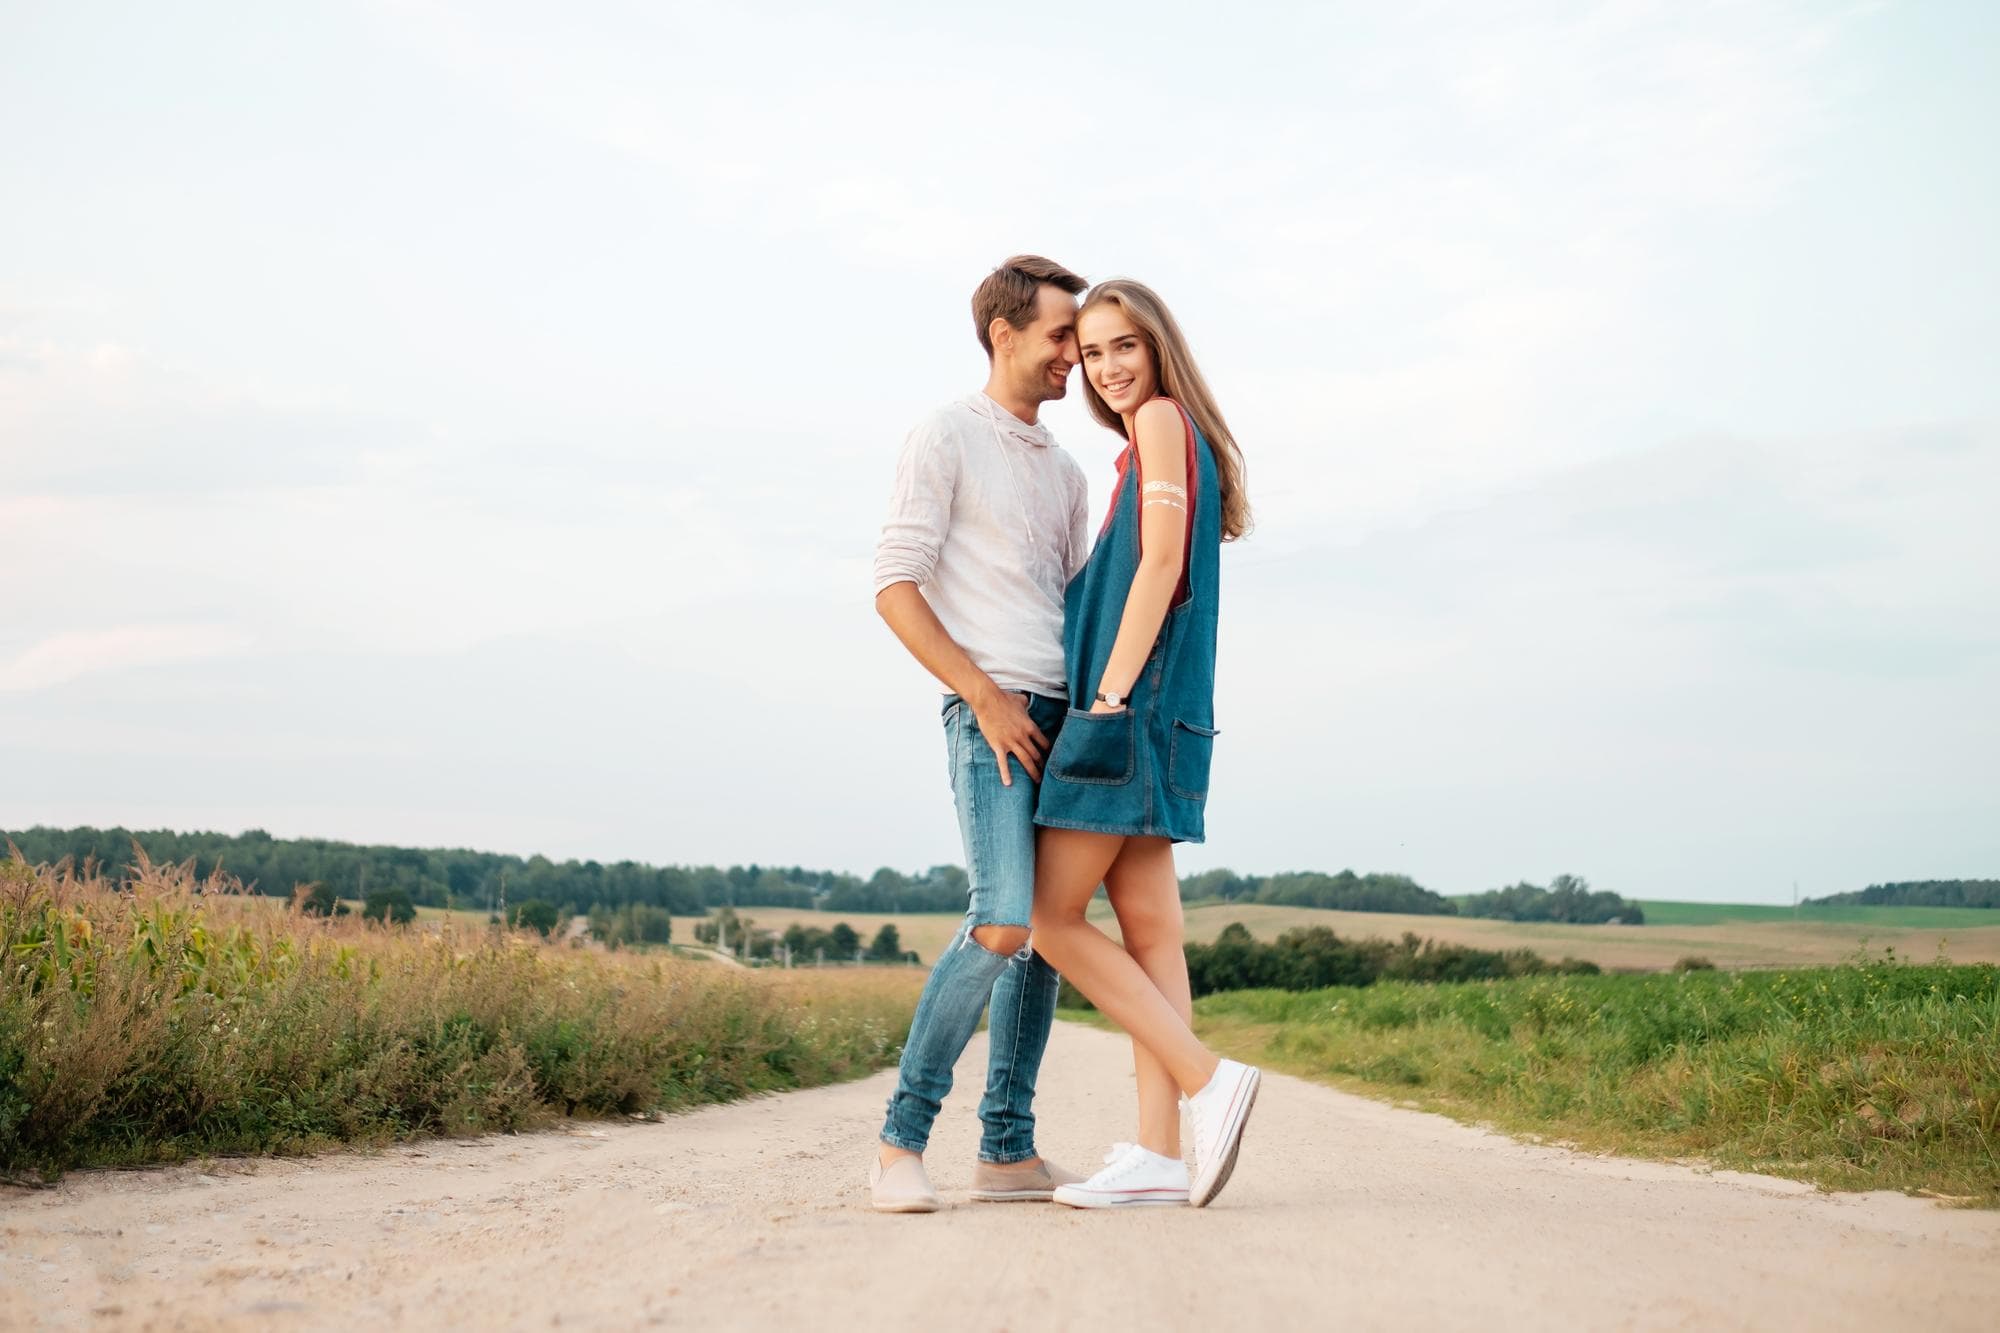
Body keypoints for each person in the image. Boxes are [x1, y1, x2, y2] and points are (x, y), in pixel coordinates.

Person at [866, 255, 1092, 1212]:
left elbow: (1075, 603)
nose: (1074, 359)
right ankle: (898, 1145)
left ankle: (1007, 1151)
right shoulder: (945, 433)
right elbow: (893, 586)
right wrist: (986, 696)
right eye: (1059, 337)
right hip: (989, 710)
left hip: (1064, 716)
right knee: (1001, 918)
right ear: (1003, 334)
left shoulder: (1070, 470)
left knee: (1044, 937)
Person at [1027, 279, 1259, 1209]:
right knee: (1153, 932)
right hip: (1167, 718)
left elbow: (1159, 563)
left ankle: (1207, 1079)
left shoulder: (1162, 423)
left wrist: (1108, 697)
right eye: (1092, 352)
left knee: (1047, 918)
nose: (1109, 367)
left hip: (1129, 712)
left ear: (1159, 348)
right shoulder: (1155, 446)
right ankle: (1161, 1155)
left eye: (1125, 345)